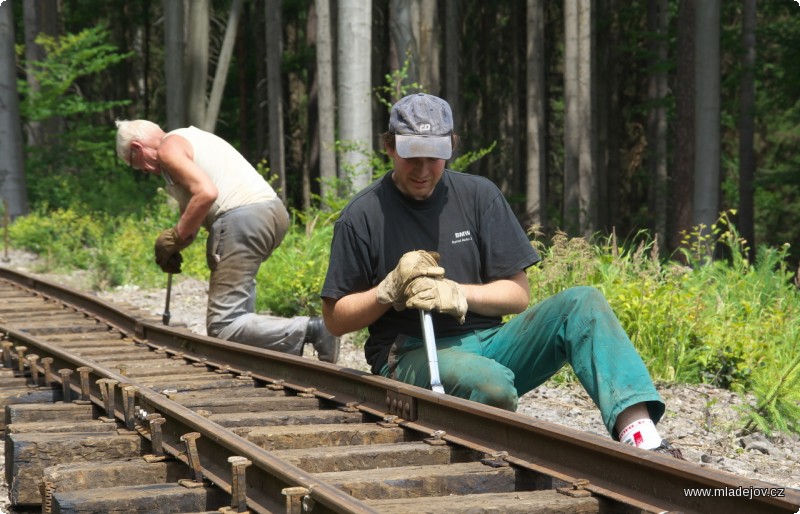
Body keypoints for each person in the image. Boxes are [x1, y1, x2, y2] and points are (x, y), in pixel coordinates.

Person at [320, 93, 682, 457]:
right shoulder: (363, 216)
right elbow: (335, 320)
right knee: (492, 385)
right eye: (411, 155)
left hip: (492, 341)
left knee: (582, 303)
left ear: (451, 147)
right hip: (410, 354)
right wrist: (387, 290)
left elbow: (517, 295)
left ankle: (643, 440)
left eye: (435, 156)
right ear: (389, 146)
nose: (423, 169)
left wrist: (457, 293)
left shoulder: (479, 196)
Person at [115, 120, 339, 363]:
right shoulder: (189, 138)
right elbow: (193, 211)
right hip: (271, 213)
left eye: (135, 165)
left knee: (224, 325)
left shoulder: (168, 149)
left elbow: (206, 193)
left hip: (241, 219)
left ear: (137, 148)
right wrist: (175, 245)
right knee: (238, 313)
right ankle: (264, 360)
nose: (144, 171)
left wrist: (175, 237)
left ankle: (315, 330)